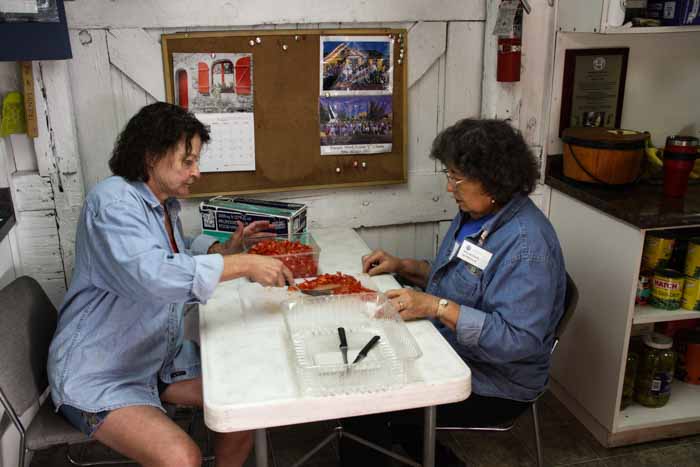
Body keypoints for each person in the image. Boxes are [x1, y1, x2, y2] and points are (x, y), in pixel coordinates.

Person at [48, 102, 294, 467]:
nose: (196, 172)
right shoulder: (112, 202)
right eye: (187, 161)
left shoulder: (162, 206)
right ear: (151, 156)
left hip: (154, 362)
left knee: (244, 405)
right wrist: (243, 264)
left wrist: (224, 250)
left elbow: (174, 254)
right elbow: (153, 275)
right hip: (100, 374)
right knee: (181, 458)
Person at [343, 118, 566, 466]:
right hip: (453, 348)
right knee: (366, 363)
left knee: (368, 400)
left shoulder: (526, 246)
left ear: (493, 178)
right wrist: (403, 266)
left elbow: (518, 340)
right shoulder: (477, 215)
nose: (450, 188)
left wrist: (436, 306)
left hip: (496, 382)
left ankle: (403, 437)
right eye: (449, 174)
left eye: (456, 177)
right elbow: (461, 281)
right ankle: (413, 439)